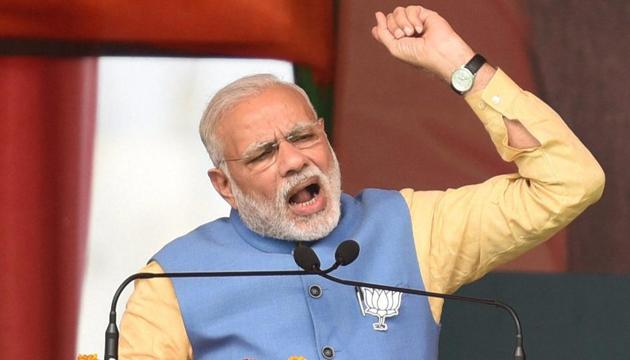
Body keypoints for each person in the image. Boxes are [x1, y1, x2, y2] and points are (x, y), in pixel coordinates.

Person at [119, 4, 604, 359]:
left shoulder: (412, 229)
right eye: (264, 153)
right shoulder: (172, 280)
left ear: (325, 138)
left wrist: (461, 65)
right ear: (224, 185)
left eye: (302, 136)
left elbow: (568, 183)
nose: (293, 161)